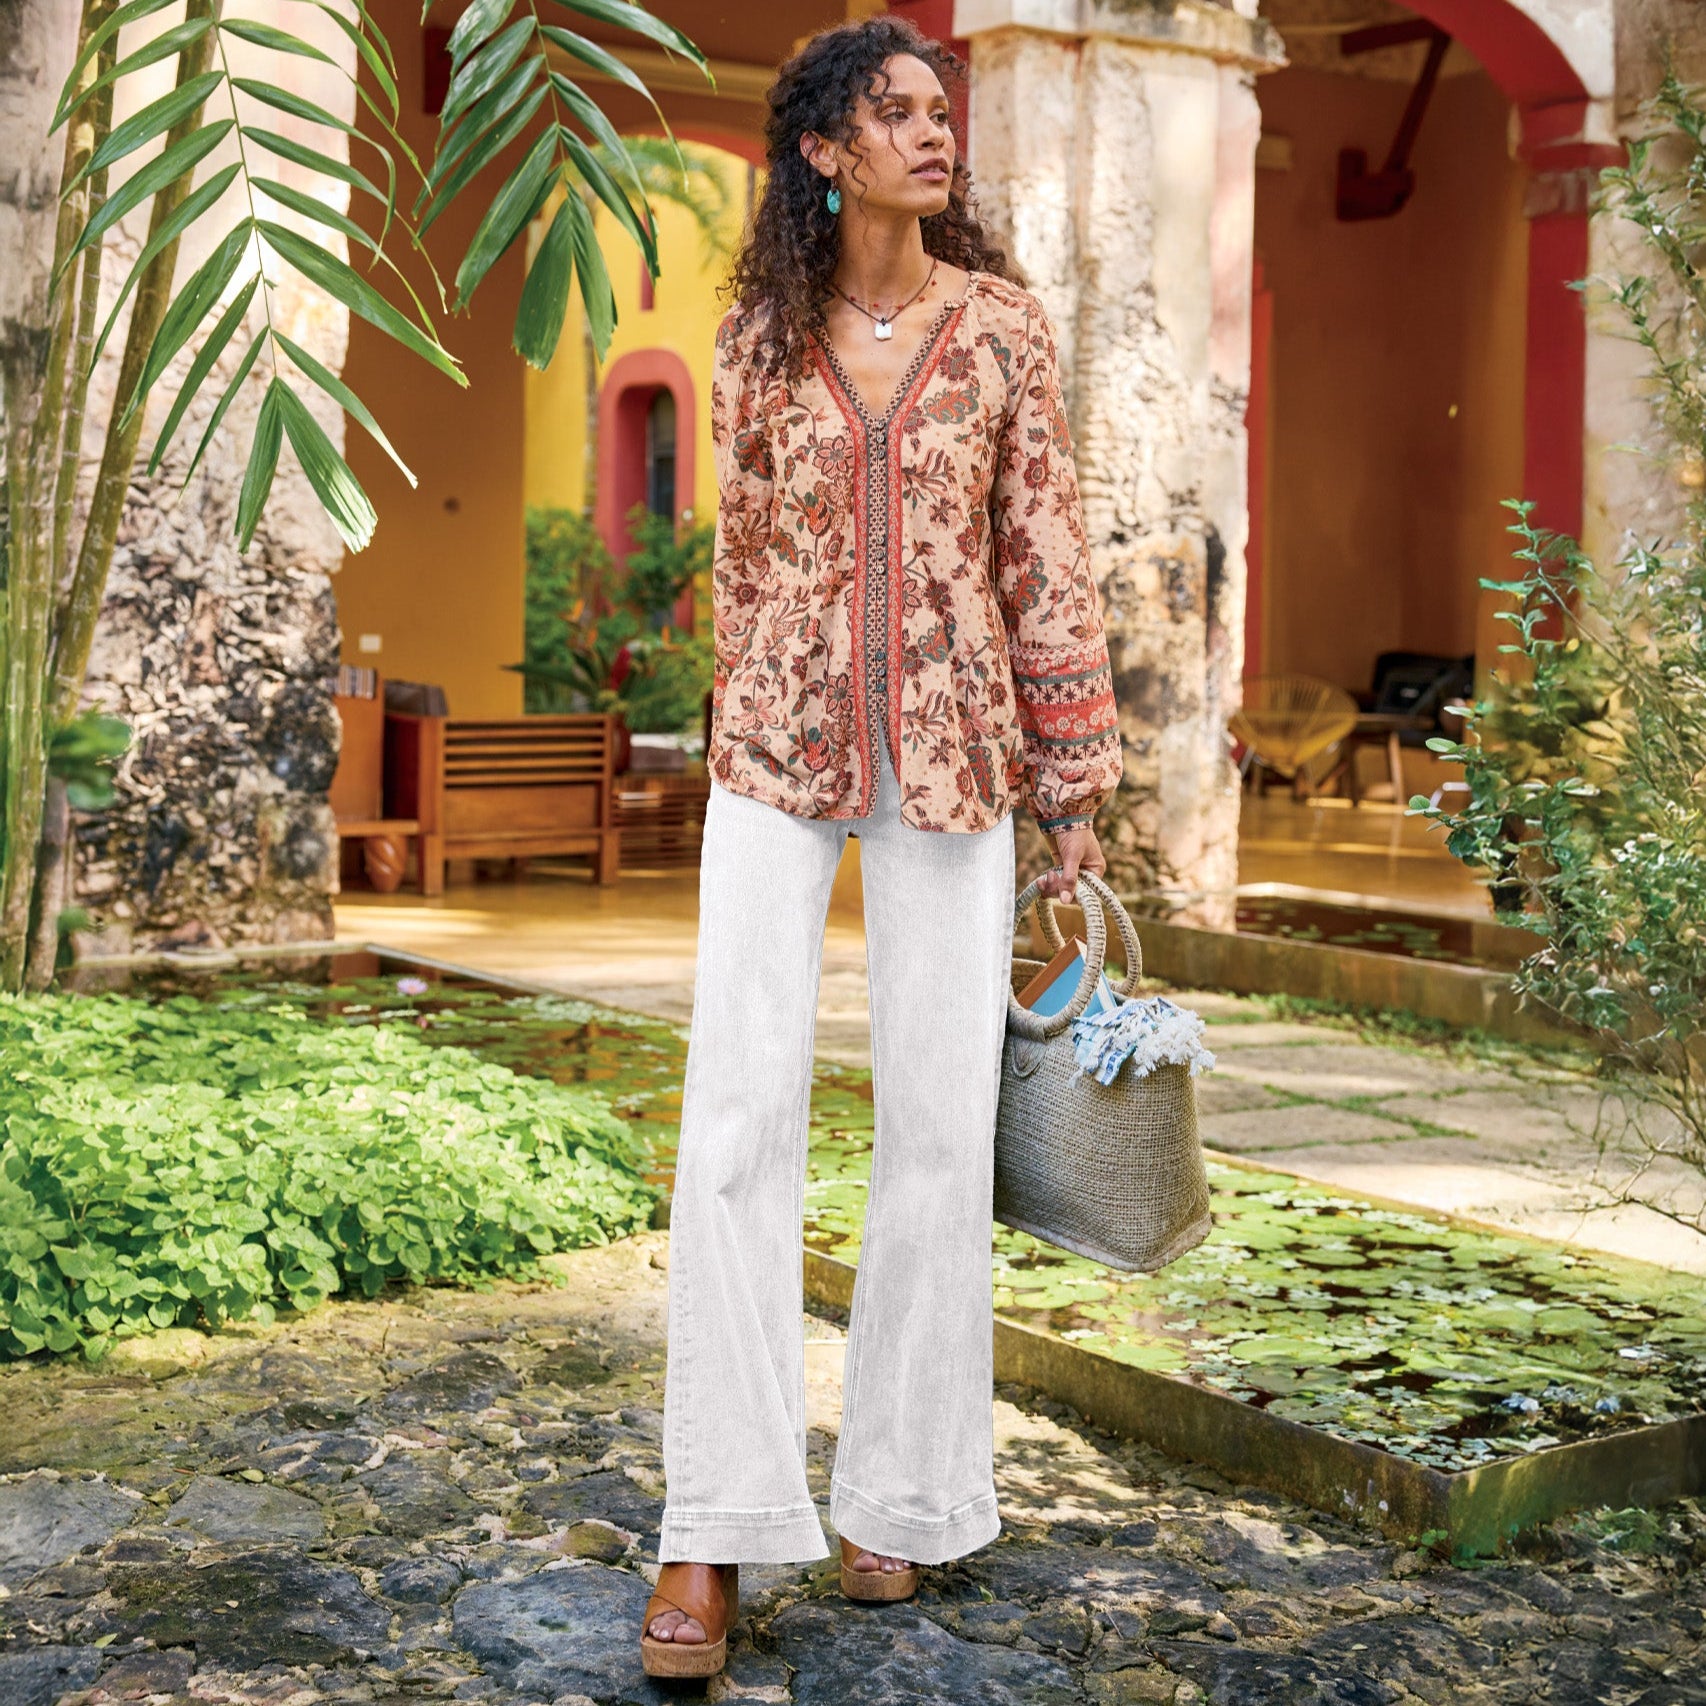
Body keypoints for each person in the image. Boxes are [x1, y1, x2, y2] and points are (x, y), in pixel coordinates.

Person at [640, 15, 1123, 1680]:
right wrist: (748, 710)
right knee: (733, 1119)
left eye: (940, 110)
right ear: (823, 151)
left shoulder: (1001, 329)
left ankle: (901, 1492)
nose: (933, 133)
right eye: (895, 113)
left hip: (959, 751)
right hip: (774, 751)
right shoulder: (755, 334)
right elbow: (743, 558)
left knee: (932, 1126)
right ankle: (713, 1519)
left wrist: (1071, 784)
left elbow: (1043, 550)